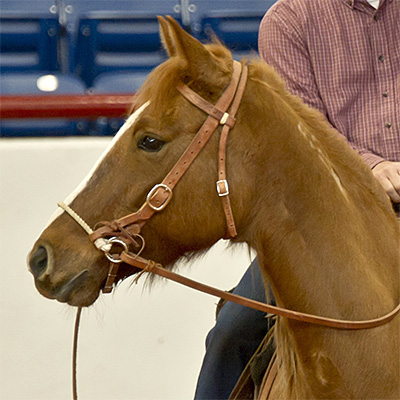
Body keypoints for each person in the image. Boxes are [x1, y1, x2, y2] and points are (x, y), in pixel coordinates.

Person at [194, 0, 400, 398]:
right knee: (232, 334)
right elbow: (304, 129)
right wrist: (371, 167)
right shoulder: (290, 20)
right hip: (330, 223)